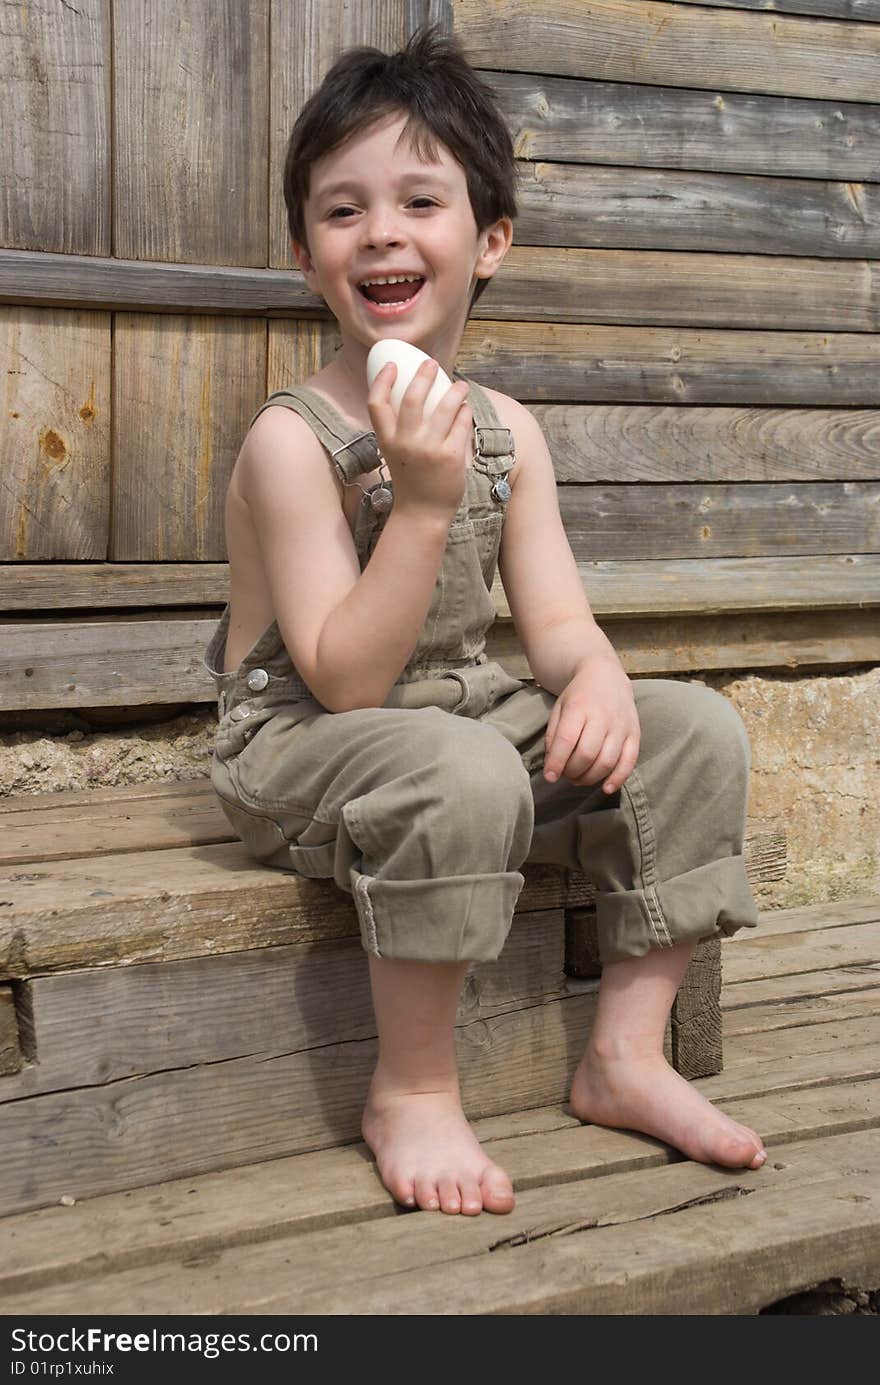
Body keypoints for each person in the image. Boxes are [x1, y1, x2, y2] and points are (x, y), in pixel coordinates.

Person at [204, 26, 766, 1217]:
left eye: (420, 199)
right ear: (307, 257)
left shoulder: (507, 427)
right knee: (460, 770)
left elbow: (555, 619)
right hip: (302, 739)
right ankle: (410, 1087)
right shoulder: (291, 442)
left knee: (694, 730)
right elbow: (346, 681)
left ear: (489, 241)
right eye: (342, 211)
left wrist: (599, 679)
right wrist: (418, 503)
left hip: (455, 716)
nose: (382, 233)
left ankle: (626, 1051)